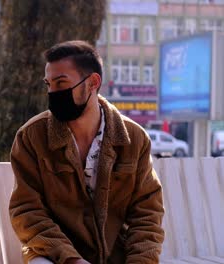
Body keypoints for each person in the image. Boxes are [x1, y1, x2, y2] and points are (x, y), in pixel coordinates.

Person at [9, 40, 164, 264]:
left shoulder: (133, 138)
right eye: (49, 84)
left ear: (92, 82)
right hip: (53, 256)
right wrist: (72, 260)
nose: (53, 92)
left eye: (61, 83)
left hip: (117, 256)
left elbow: (147, 213)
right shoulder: (32, 137)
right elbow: (27, 211)